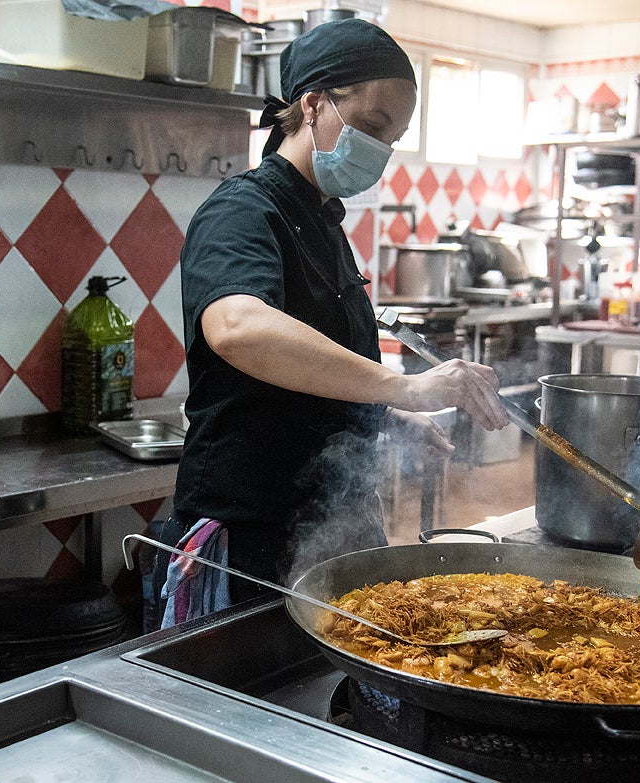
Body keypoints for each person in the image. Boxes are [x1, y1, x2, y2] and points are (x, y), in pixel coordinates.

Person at [159, 18, 509, 627]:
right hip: (251, 539)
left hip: (330, 522)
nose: (382, 149)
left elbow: (309, 373)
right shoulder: (243, 209)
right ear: (314, 105)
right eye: (374, 126)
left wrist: (380, 417)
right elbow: (238, 328)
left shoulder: (322, 218)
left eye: (393, 137)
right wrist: (408, 387)